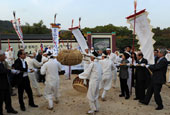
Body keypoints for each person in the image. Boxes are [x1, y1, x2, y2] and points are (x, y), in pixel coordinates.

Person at [0, 50, 18, 115]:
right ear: (0, 56)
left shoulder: (3, 62)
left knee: (8, 98)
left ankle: (9, 109)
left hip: (6, 83)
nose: (5, 56)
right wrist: (10, 71)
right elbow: (2, 71)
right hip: (1, 85)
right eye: (4, 55)